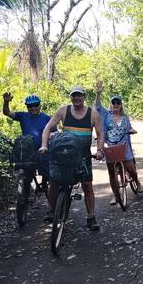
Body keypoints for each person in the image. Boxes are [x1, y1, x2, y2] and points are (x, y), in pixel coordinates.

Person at [39, 86, 104, 231]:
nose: (76, 98)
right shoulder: (63, 110)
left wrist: (100, 150)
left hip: (83, 157)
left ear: (84, 97)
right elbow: (48, 127)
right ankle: (53, 210)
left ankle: (91, 216)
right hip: (64, 156)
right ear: (71, 97)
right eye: (74, 96)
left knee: (87, 186)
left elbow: (100, 134)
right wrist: (44, 145)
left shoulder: (93, 114)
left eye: (79, 95)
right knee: (54, 183)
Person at [95, 81, 143, 204]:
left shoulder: (125, 116)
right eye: (113, 102)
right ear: (111, 104)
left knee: (130, 167)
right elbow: (98, 106)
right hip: (110, 146)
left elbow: (129, 127)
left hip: (123, 146)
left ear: (121, 105)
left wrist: (132, 130)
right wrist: (98, 94)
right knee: (112, 173)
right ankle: (116, 196)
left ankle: (136, 181)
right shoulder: (106, 114)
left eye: (118, 103)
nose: (115, 104)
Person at [2, 92, 52, 194]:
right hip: (27, 151)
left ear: (39, 105)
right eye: (30, 106)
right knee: (26, 174)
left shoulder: (46, 118)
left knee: (47, 172)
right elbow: (7, 113)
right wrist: (6, 101)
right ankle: (25, 195)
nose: (33, 108)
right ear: (27, 107)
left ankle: (46, 189)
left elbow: (54, 132)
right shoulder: (23, 116)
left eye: (36, 105)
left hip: (43, 150)